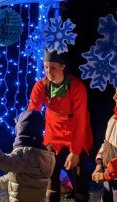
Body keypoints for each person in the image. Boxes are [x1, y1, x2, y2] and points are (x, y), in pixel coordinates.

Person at [27, 49, 93, 202]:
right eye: (46, 67)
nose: (48, 71)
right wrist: (28, 141)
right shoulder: (40, 86)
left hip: (75, 128)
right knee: (50, 168)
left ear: (63, 66)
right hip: (53, 129)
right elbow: (32, 114)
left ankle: (81, 198)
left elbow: (80, 119)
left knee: (79, 170)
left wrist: (75, 151)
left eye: (53, 67)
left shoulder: (76, 86)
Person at [0, 109, 56, 202]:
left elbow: (3, 161)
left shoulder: (25, 153)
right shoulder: (45, 155)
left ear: (21, 131)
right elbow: (22, 174)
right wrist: (1, 182)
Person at [92, 78, 117, 202]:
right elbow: (106, 143)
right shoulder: (115, 116)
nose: (114, 97)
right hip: (109, 174)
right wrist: (99, 164)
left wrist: (106, 174)